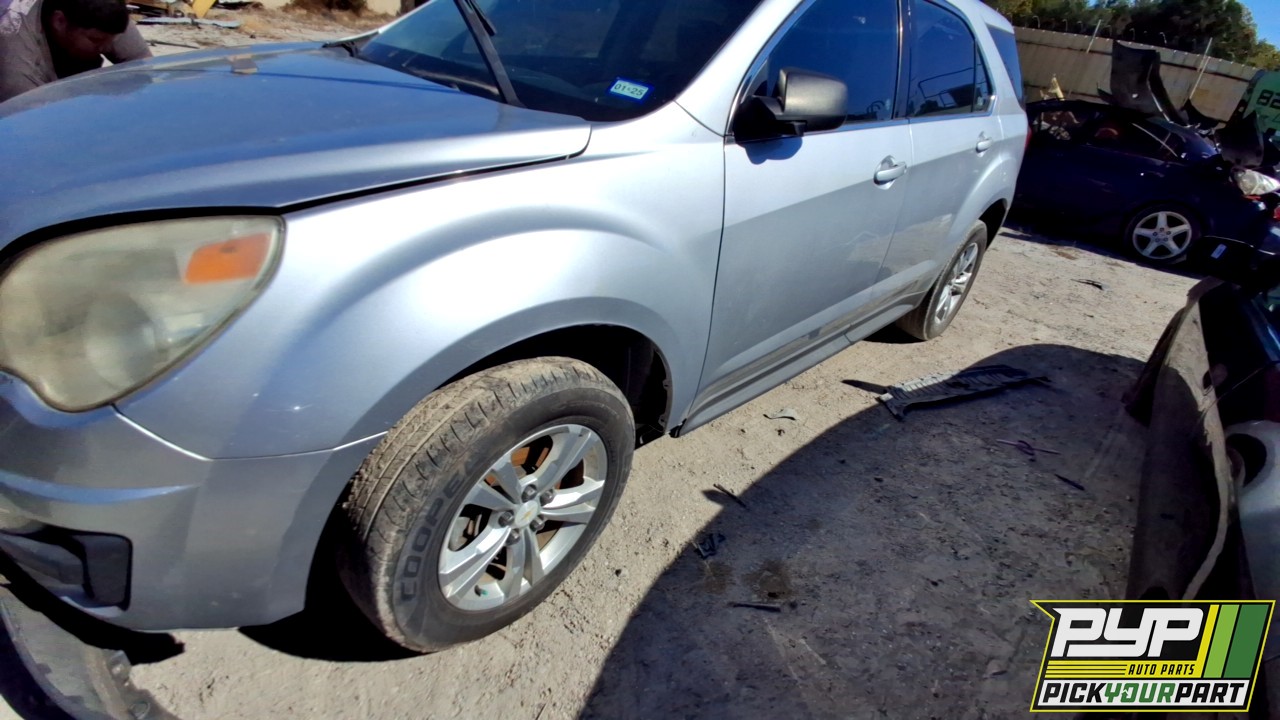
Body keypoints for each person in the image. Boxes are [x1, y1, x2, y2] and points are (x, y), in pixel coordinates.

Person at [0, 0, 150, 103]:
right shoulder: (15, 52)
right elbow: (32, 119)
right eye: (96, 40)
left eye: (111, 40)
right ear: (59, 21)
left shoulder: (106, 14)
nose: (105, 47)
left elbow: (145, 70)